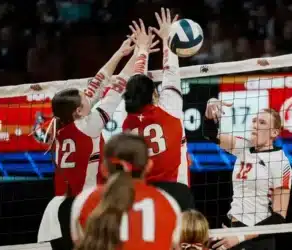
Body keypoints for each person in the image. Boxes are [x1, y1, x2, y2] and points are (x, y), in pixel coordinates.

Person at [37, 26, 158, 250]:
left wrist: (120, 52)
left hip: (56, 209)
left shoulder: (61, 125)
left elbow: (97, 82)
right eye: (85, 100)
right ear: (79, 112)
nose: (88, 97)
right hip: (82, 206)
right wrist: (139, 52)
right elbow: (119, 84)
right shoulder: (90, 125)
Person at [204, 98, 292, 250]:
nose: (255, 126)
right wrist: (209, 113)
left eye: (262, 123)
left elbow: (279, 218)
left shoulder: (280, 162)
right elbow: (210, 134)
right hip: (233, 232)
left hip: (256, 238)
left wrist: (240, 236)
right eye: (254, 121)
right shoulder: (244, 147)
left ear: (274, 132)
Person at [71, 132, 182, 250]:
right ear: (149, 166)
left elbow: (80, 242)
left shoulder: (85, 200)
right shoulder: (167, 202)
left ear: (104, 168)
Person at [121, 8, 190, 186]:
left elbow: (136, 82)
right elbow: (171, 70)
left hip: (142, 194)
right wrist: (167, 39)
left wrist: (142, 50)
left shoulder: (126, 120)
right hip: (175, 193)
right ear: (154, 94)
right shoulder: (170, 110)